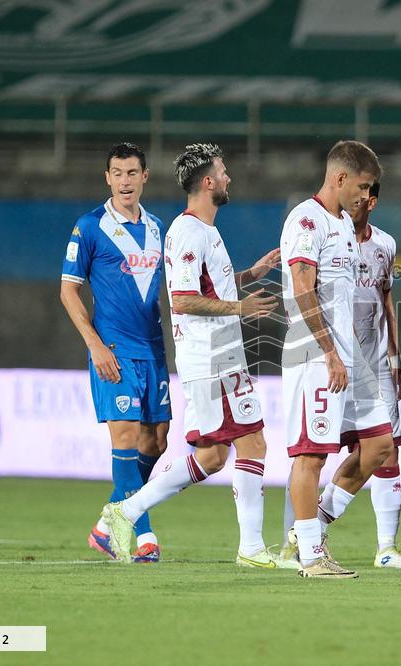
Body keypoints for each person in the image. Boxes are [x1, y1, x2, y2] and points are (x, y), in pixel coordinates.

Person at [101, 143, 280, 566]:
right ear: (208, 182)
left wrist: (250, 275)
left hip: (219, 357)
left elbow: (208, 287)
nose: (229, 177)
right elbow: (182, 299)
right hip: (212, 359)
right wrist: (240, 308)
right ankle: (251, 549)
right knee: (252, 442)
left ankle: (124, 512)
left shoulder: (206, 231)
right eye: (223, 171)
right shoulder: (187, 231)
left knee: (212, 457)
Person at [277, 181, 401, 570]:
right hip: (324, 357)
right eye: (358, 186)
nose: (358, 199)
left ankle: (325, 531)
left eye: (366, 191)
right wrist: (330, 351)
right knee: (312, 453)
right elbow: (303, 288)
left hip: (365, 359)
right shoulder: (313, 223)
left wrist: (393, 356)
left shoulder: (380, 244)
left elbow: (385, 298)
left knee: (382, 445)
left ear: (372, 201)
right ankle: (308, 548)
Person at [60, 142, 169, 563]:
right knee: (125, 437)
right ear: (107, 178)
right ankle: (145, 536)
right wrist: (94, 344)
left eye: (132, 173)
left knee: (156, 441)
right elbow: (68, 291)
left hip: (153, 350)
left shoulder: (158, 228)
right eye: (117, 173)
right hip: (113, 351)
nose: (125, 181)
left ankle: (106, 525)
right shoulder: (90, 226)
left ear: (145, 177)